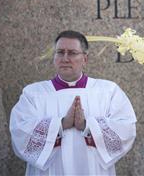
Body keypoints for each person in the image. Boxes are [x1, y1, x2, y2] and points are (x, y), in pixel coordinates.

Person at [10, 30, 137, 175]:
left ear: (85, 59)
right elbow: (20, 133)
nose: (65, 58)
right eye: (60, 52)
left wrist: (86, 125)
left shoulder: (108, 91)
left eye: (72, 53)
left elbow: (126, 130)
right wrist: (62, 123)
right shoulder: (34, 94)